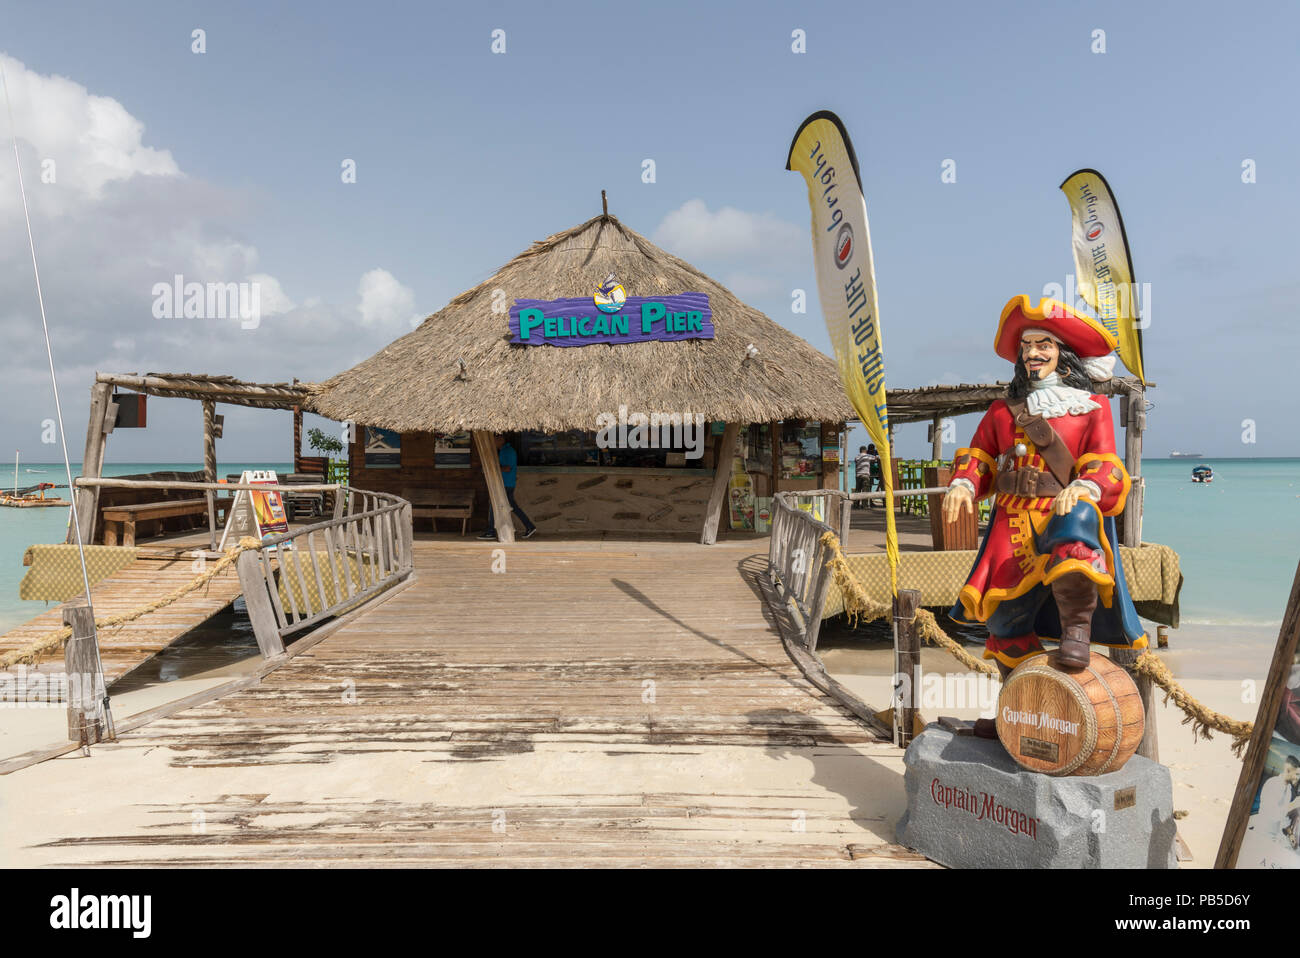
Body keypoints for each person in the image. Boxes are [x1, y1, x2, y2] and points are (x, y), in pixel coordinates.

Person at [941, 294, 1148, 678]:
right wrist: (964, 485)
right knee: (1003, 623)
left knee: (1079, 514)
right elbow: (980, 456)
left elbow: (1106, 465)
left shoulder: (1093, 408)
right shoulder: (1002, 411)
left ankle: (1077, 630)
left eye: (1043, 345)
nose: (1032, 353)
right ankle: (1019, 699)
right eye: (1026, 347)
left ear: (1063, 354)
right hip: (1013, 522)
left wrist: (1086, 485)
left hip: (1062, 514)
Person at [478, 435, 538, 540]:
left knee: (494, 505)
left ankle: (491, 531)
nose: (494, 443)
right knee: (511, 506)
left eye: (495, 440)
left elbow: (507, 468)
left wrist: (491, 468)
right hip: (506, 483)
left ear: (501, 440)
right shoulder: (504, 450)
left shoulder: (507, 451)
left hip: (506, 484)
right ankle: (529, 526)